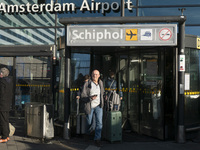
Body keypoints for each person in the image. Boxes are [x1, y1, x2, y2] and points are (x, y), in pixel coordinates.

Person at [81, 70, 104, 147]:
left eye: (96, 74)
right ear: (91, 75)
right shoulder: (87, 84)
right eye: (94, 74)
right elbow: (83, 96)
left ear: (99, 75)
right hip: (90, 105)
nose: (95, 76)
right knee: (89, 122)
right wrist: (90, 98)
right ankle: (87, 133)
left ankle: (97, 139)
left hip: (98, 106)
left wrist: (104, 99)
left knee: (99, 123)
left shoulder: (101, 83)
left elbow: (102, 93)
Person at [0, 67, 13, 143]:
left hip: (2, 104)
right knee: (6, 120)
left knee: (3, 121)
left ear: (2, 74)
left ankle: (4, 137)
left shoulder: (2, 82)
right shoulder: (9, 81)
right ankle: (6, 135)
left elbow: (1, 93)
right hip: (7, 104)